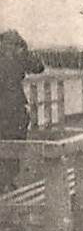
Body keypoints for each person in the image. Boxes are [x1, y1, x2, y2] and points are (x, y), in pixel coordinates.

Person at [0, 28, 45, 192]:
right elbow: (39, 66)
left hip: (10, 108)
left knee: (10, 142)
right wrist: (25, 49)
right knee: (16, 142)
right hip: (14, 107)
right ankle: (8, 179)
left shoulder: (12, 56)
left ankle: (6, 180)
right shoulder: (18, 56)